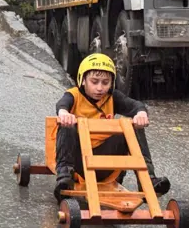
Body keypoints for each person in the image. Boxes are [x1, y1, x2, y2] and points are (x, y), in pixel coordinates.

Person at [53, 53, 169, 202]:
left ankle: (147, 180)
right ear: (82, 80)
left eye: (105, 82)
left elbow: (135, 105)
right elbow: (62, 104)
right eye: (94, 82)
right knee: (67, 126)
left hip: (105, 161)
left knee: (133, 127)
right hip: (78, 163)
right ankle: (64, 177)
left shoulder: (112, 97)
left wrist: (141, 113)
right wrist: (64, 113)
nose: (100, 88)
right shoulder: (74, 95)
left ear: (111, 83)